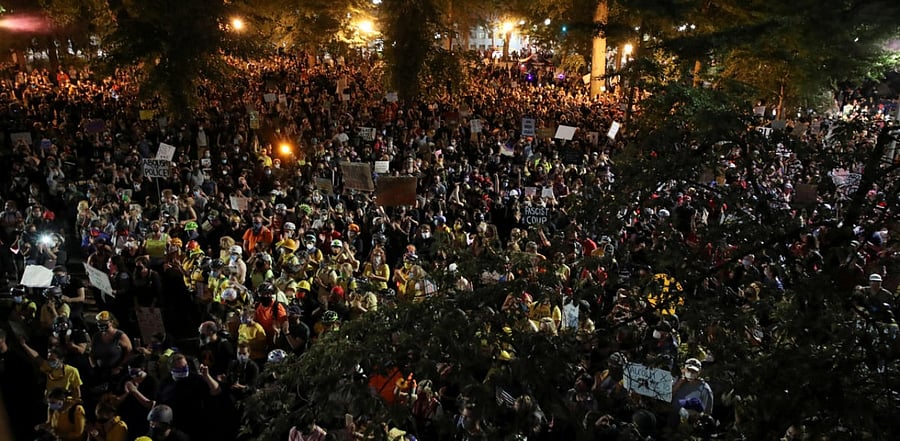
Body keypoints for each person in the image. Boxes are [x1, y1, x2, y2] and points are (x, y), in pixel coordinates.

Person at [91, 311, 133, 382]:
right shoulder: (96, 336)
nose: (101, 324)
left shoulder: (120, 336)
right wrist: (94, 365)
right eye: (99, 322)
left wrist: (120, 367)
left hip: (116, 374)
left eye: (103, 322)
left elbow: (129, 352)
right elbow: (92, 353)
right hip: (100, 372)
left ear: (111, 322)